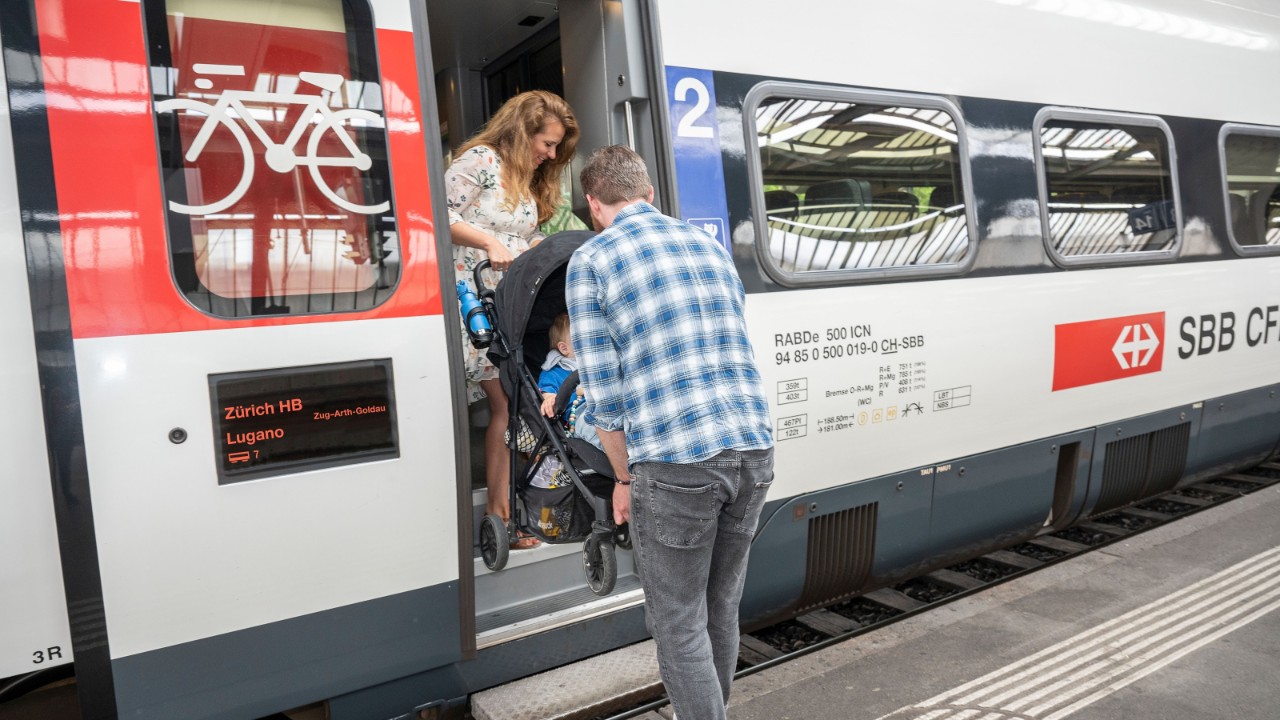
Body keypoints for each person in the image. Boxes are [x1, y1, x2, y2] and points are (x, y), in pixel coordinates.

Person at [565, 146, 775, 720]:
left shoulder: (593, 260)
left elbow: (605, 398)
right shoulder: (708, 245)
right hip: (753, 448)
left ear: (593, 204)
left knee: (678, 620)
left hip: (678, 463)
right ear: (650, 193)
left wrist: (624, 478)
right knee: (720, 609)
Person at [447, 90, 579, 548]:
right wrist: (487, 242)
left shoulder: (527, 177)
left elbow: (522, 233)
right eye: (547, 142)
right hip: (475, 298)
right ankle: (502, 517)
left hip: (512, 303)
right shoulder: (480, 161)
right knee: (506, 403)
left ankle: (515, 510)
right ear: (523, 132)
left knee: (517, 399)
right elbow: (435, 214)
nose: (552, 153)